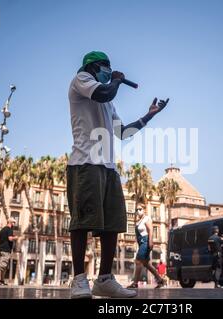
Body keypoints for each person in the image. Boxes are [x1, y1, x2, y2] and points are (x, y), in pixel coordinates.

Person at [67, 51, 169, 299]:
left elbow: (123, 132)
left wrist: (149, 115)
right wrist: (116, 79)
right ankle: (79, 279)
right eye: (105, 66)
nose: (109, 70)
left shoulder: (108, 101)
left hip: (109, 168)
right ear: (92, 67)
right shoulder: (81, 80)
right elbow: (105, 91)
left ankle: (104, 280)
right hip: (85, 163)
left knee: (112, 224)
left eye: (110, 68)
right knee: (82, 222)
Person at [127, 203, 165, 289]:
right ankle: (160, 280)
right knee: (146, 264)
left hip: (146, 241)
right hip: (141, 243)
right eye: (136, 210)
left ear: (144, 210)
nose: (138, 211)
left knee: (138, 261)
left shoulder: (147, 219)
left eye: (140, 209)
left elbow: (150, 230)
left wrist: (150, 241)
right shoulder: (139, 221)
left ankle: (135, 283)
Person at [0, 217, 18, 285]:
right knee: (2, 265)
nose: (14, 224)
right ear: (10, 222)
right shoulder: (9, 230)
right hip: (6, 250)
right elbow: (10, 239)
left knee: (4, 266)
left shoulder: (3, 229)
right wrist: (15, 238)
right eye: (14, 222)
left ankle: (2, 281)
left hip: (1, 249)